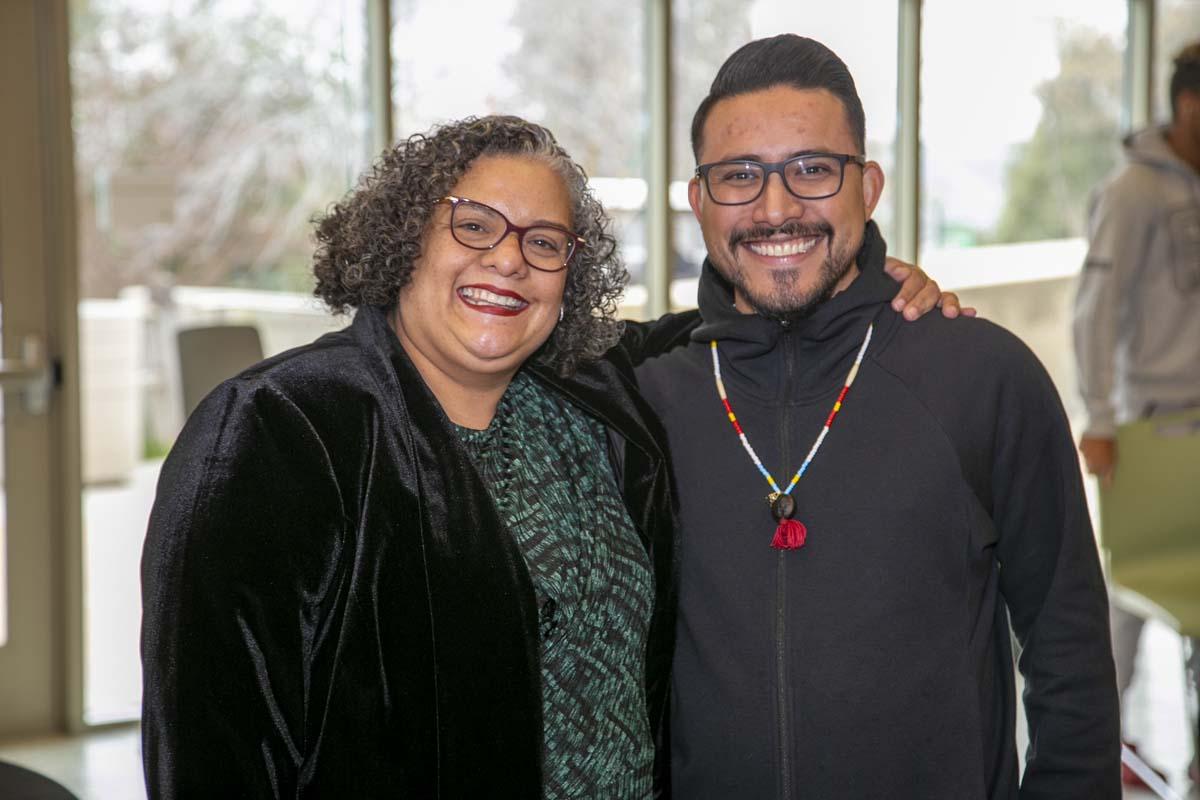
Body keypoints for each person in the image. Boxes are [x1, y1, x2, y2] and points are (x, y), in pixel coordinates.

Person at [140, 114, 953, 798]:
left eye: (545, 242)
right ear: (404, 239)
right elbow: (215, 754)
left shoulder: (588, 399)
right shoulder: (279, 430)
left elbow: (709, 326)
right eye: (474, 224)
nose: (508, 259)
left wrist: (865, 285)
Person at [626, 35, 1121, 798]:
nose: (777, 207)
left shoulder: (983, 376)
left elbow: (1070, 648)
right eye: (739, 177)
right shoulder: (646, 401)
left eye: (813, 170)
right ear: (698, 201)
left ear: (869, 187)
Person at [1074, 40, 1200, 788]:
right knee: (1129, 590)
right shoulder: (1133, 193)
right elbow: (1095, 313)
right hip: (1147, 424)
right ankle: (1101, 747)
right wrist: (1098, 417)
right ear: (1188, 106)